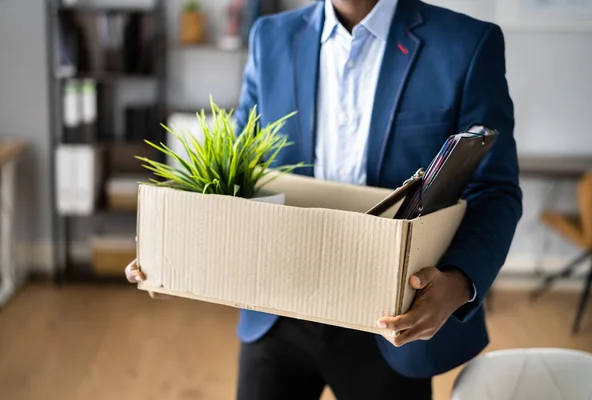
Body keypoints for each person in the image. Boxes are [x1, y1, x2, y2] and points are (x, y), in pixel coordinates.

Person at [125, 0, 523, 398]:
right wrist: (174, 250)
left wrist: (457, 282)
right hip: (276, 309)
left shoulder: (466, 44)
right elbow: (235, 171)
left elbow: (494, 189)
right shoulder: (271, 37)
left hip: (394, 318)